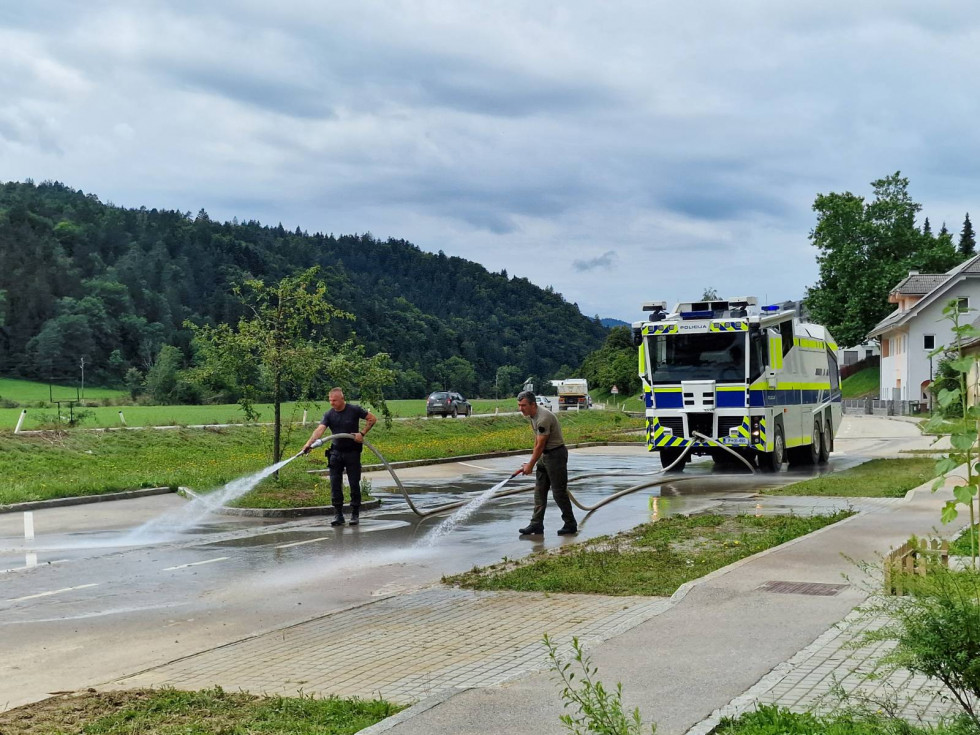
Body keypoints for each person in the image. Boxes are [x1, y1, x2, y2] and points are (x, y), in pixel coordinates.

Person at [302, 387, 377, 527]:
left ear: (342, 399)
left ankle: (355, 514)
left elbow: (372, 419)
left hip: (352, 452)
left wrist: (362, 433)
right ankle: (338, 514)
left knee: (354, 483)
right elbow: (319, 430)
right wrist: (308, 444)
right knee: (335, 484)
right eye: (330, 400)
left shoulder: (354, 410)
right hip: (335, 453)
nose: (332, 403)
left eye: (334, 400)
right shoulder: (329, 414)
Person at [515, 390, 577, 536]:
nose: (520, 409)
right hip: (545, 455)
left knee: (558, 492)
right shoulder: (532, 416)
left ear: (532, 404)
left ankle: (570, 524)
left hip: (556, 455)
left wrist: (530, 465)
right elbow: (537, 441)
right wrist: (531, 461)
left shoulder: (543, 418)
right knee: (539, 490)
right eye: (519, 405)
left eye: (523, 405)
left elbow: (541, 444)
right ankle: (536, 524)